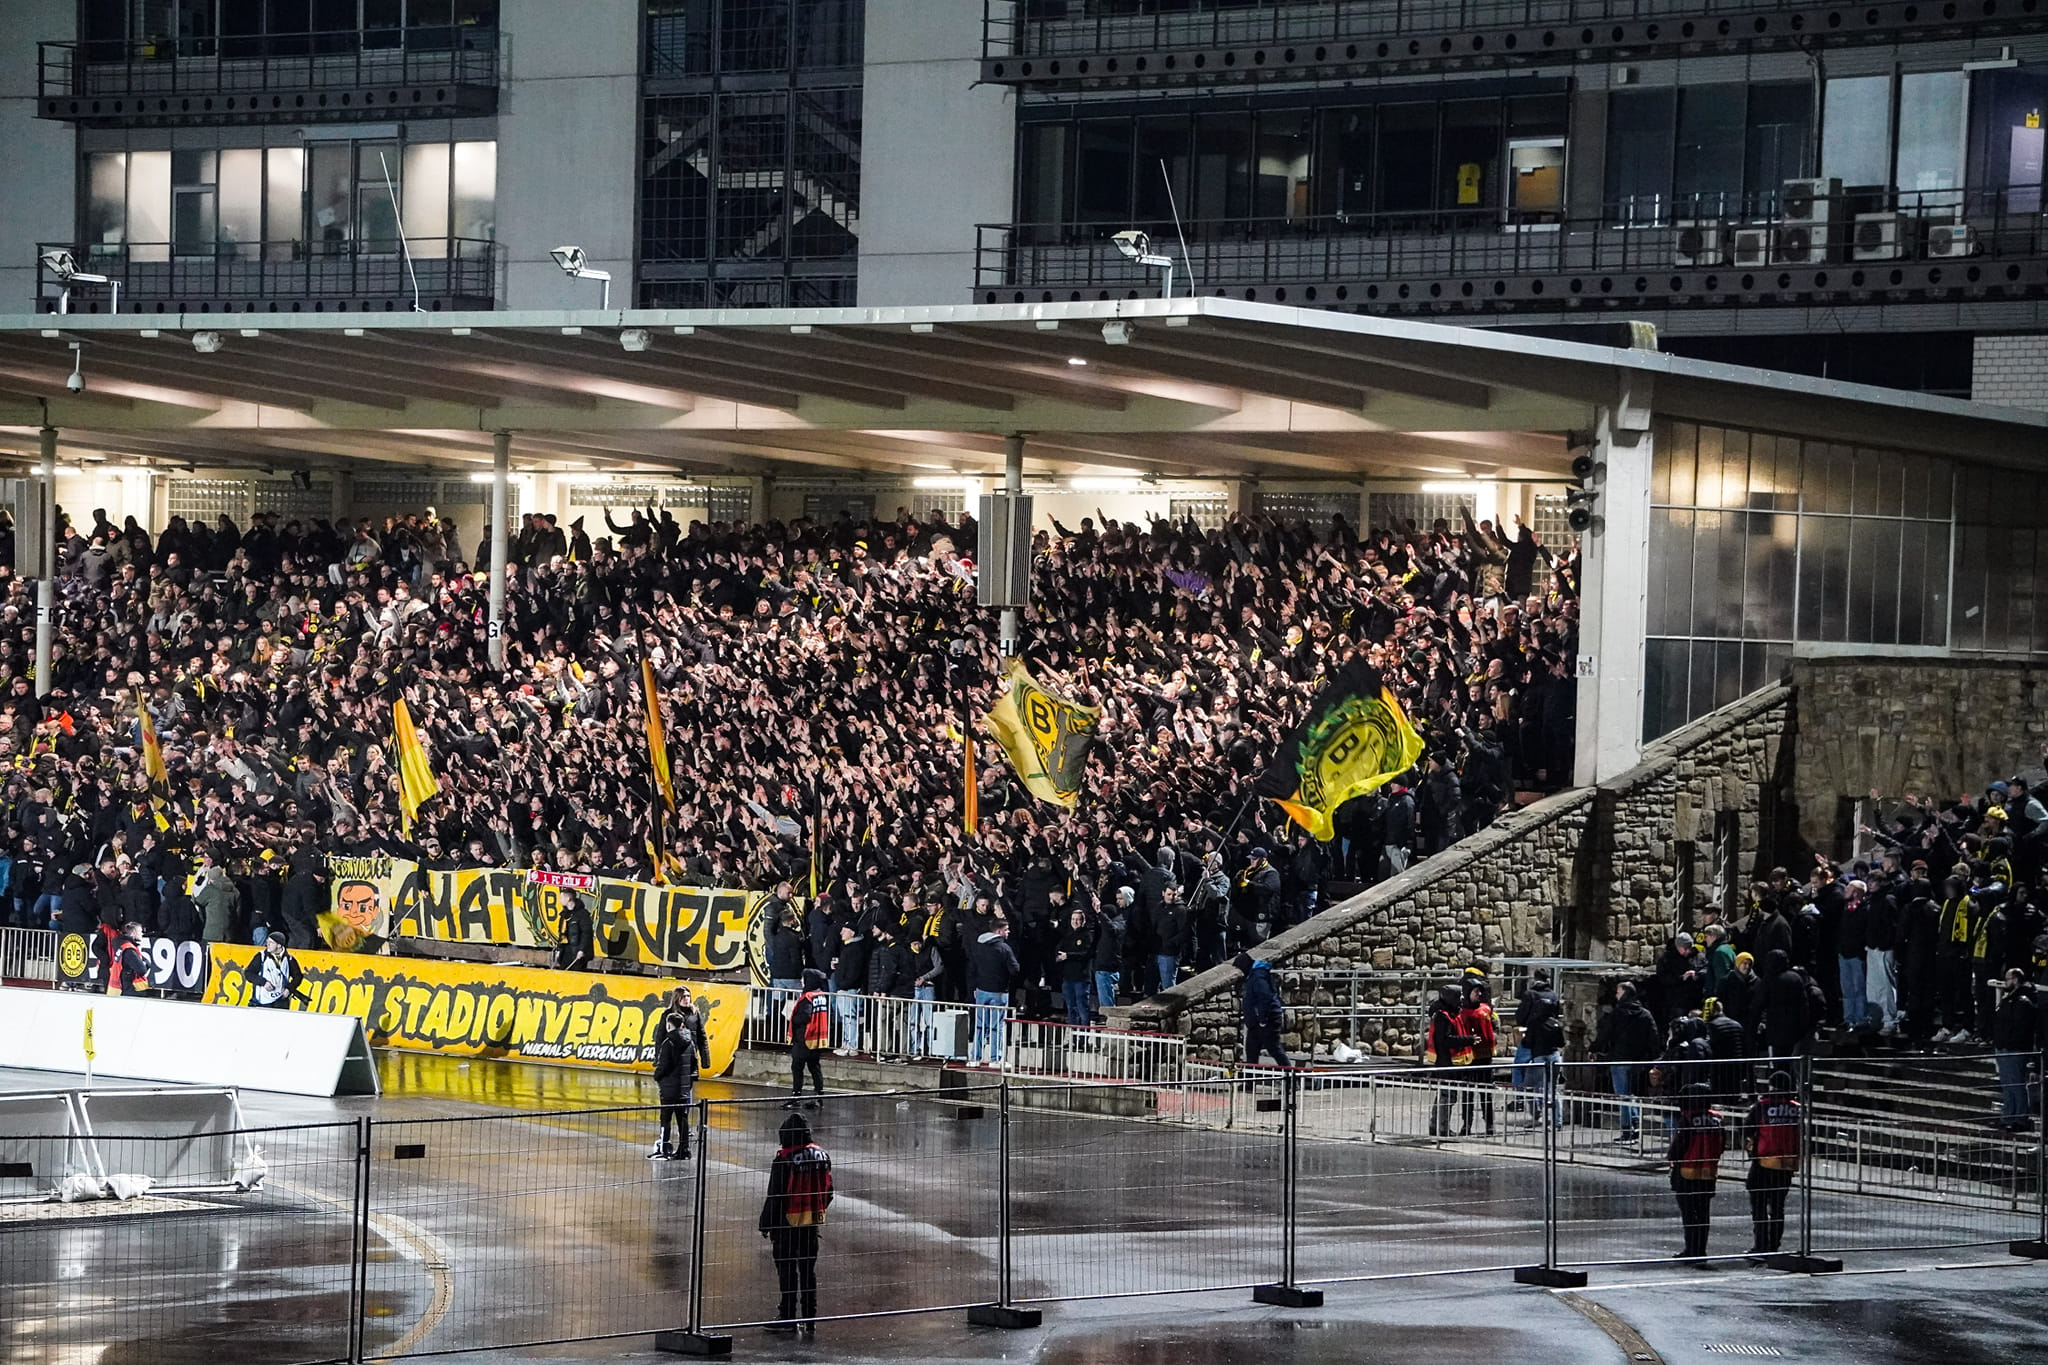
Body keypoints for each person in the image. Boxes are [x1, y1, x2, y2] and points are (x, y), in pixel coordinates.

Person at [758, 1111, 833, 1337]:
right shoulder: (822, 1156)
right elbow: (828, 1191)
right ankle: (810, 1316)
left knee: (787, 1270)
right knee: (808, 1271)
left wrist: (766, 1224)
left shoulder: (784, 1159)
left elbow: (775, 1196)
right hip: (811, 1222)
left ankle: (787, 1316)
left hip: (786, 1223)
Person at [1740, 1071, 1801, 1256]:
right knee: (1777, 1207)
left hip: (1764, 1162)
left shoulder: (1763, 1106)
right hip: (1786, 1164)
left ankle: (1760, 1245)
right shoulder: (1796, 1108)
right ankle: (1774, 1245)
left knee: (1759, 1206)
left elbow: (1747, 1128)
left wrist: (1751, 1149)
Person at [1593, 981, 1660, 1144]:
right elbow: (1653, 1036)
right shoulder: (1645, 1014)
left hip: (1620, 1059)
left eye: (1618, 992)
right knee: (1631, 1095)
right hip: (1638, 1060)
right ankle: (1635, 1126)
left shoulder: (1618, 1013)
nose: (1616, 995)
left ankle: (1628, 1130)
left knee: (1623, 1096)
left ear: (1624, 993)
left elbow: (1606, 1033)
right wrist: (1654, 1057)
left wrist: (1594, 1048)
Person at [650, 989, 711, 1160]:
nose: (687, 999)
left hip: (686, 1065)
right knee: (679, 1108)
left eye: (688, 997)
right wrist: (658, 1058)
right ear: (677, 999)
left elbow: (702, 1036)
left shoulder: (694, 1014)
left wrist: (705, 1059)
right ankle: (675, 1145)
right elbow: (660, 1037)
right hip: (677, 1063)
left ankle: (675, 1145)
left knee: (679, 1108)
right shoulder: (668, 1015)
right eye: (683, 997)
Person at [1668, 1082, 1727, 1259]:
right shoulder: (1717, 1118)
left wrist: (1672, 1159)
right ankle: (1701, 1250)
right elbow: (1722, 1143)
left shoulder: (1687, 1118)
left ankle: (1691, 1249)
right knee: (1703, 1214)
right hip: (1708, 1172)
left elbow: (1679, 1145)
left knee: (1688, 1214)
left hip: (1686, 1171)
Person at [1512, 971, 1565, 1128]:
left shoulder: (1530, 997)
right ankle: (1557, 1121)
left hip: (1537, 1053)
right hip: (1554, 1054)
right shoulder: (1554, 1006)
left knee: (1524, 1077)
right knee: (1552, 1089)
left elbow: (1521, 1019)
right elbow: (1561, 1042)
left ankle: (1528, 1107)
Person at [1991, 970, 2040, 1133]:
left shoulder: (2022, 1001)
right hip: (2003, 1047)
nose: (2005, 982)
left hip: (2014, 1048)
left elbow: (2021, 1027)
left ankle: (2020, 1118)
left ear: (2016, 980)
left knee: (2016, 1084)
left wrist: (2011, 1043)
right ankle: (2008, 1117)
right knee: (2007, 1084)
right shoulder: (2007, 999)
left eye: (2008, 979)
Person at [967, 919, 1020, 1065]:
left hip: (981, 990)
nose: (1008, 932)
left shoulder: (978, 946)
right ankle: (995, 1059)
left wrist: (975, 987)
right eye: (1006, 929)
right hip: (999, 992)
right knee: (997, 1026)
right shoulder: (1004, 948)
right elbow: (1015, 970)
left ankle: (975, 1058)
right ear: (999, 931)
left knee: (979, 1025)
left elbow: (972, 968)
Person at [1425, 984, 1474, 1137]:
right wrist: (1467, 1040)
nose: (1461, 1000)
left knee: (1444, 1095)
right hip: (1446, 1062)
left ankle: (1436, 1125)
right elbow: (1444, 1040)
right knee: (1447, 1096)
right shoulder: (1443, 1016)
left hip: (1451, 1061)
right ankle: (1442, 1128)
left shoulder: (1450, 1013)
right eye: (1458, 996)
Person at [1459, 977, 1498, 1137]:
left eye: (1480, 991)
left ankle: (1489, 1124)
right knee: (1467, 1093)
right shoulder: (1462, 1012)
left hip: (1485, 1057)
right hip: (1469, 1057)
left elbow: (1493, 1025)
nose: (1479, 994)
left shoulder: (1486, 1009)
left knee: (1486, 1092)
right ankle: (1466, 1124)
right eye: (1476, 991)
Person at [786, 968, 829, 1105]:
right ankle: (819, 1096)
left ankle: (795, 1097)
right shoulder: (821, 995)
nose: (801, 981)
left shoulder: (808, 997)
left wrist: (793, 1019)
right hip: (817, 1038)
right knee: (814, 1067)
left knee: (797, 1067)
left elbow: (805, 1016)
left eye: (804, 978)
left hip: (804, 1038)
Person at [1240, 955, 1290, 1068]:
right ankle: (1249, 1084)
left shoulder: (1257, 977)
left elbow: (1264, 998)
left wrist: (1262, 1019)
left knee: (1274, 1049)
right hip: (1257, 1021)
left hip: (1266, 1020)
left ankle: (1292, 1079)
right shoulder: (1255, 975)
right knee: (1252, 1052)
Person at [1055, 905, 1094, 1027]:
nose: (1075, 922)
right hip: (1067, 978)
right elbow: (1059, 950)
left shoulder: (1087, 935)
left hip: (1081, 978)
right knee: (1071, 1008)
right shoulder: (1068, 935)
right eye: (1073, 919)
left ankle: (1083, 1039)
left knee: (1082, 1008)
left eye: (1078, 919)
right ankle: (1073, 1038)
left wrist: (1068, 956)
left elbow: (1086, 954)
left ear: (1083, 921)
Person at [249, 931, 304, 1009]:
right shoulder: (261, 956)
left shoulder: (289, 959)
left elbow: (298, 976)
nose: (267, 945)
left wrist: (289, 989)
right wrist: (263, 982)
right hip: (262, 1002)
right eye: (267, 941)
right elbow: (249, 973)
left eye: (271, 943)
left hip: (280, 1001)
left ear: (279, 945)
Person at [106, 921, 153, 996]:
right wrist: (145, 964)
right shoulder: (129, 949)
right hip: (130, 988)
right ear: (134, 932)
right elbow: (142, 969)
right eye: (140, 931)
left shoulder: (120, 944)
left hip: (120, 985)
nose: (142, 934)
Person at [553, 893, 593, 971]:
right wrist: (559, 948)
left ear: (568, 899)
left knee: (575, 973)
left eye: (562, 898)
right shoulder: (564, 914)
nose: (560, 900)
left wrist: (582, 949)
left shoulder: (582, 914)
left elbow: (586, 933)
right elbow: (562, 933)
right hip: (565, 951)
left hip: (577, 951)